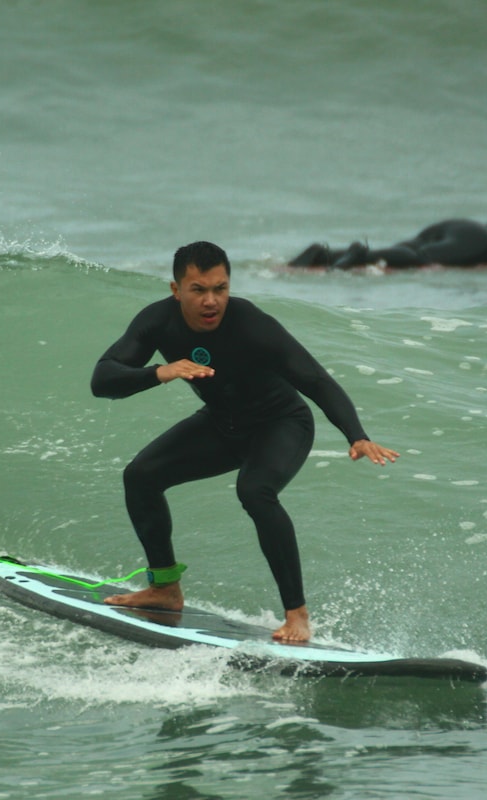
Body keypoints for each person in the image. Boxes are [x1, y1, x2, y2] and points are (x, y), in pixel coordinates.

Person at [91, 241, 399, 643]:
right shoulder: (157, 321)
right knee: (141, 476)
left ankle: (298, 616)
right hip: (223, 425)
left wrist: (356, 435)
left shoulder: (252, 324)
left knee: (255, 491)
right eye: (199, 290)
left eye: (220, 288)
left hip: (281, 424)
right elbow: (103, 380)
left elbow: (315, 380)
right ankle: (165, 589)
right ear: (175, 290)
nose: (211, 301)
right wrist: (160, 372)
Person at [289, 179, 487, 269]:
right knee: (420, 260)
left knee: (401, 252)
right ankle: (359, 254)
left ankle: (324, 255)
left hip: (455, 228)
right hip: (476, 239)